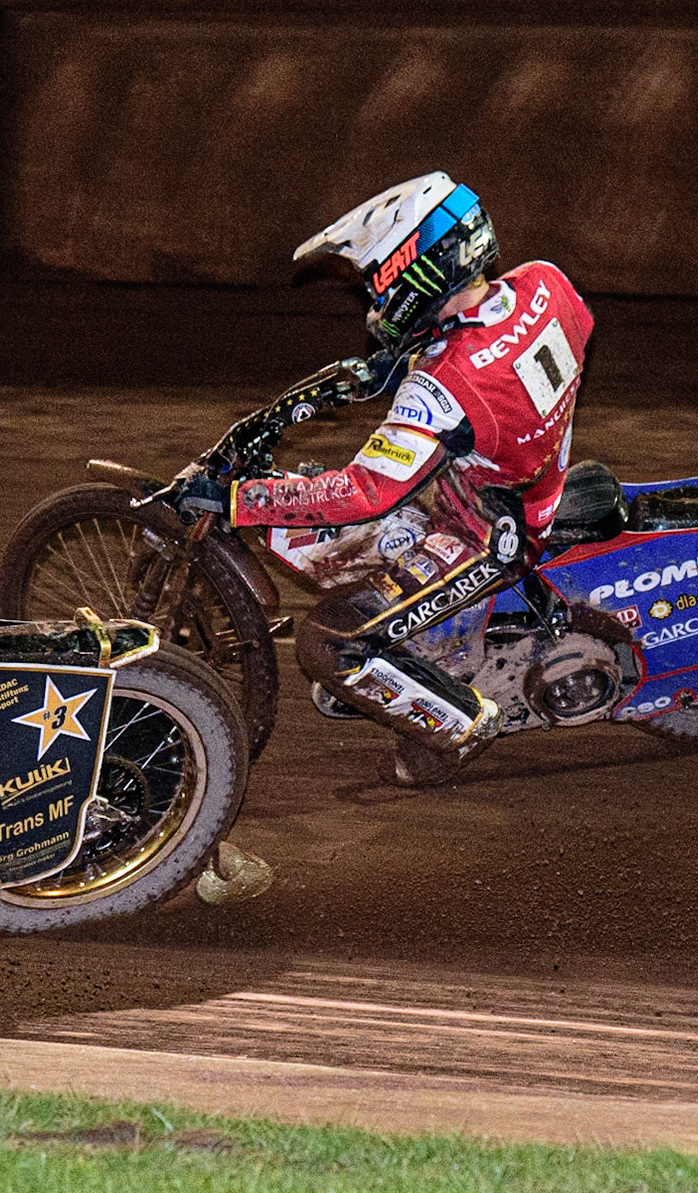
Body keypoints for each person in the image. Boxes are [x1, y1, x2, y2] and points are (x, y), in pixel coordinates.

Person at [183, 173, 595, 786]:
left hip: (487, 530)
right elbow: (561, 330)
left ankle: (457, 729)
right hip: (525, 473)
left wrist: (242, 500)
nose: (376, 295)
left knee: (329, 641)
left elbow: (365, 492)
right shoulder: (546, 281)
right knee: (330, 526)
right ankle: (430, 657)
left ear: (418, 268)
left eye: (380, 277)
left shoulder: (446, 385)